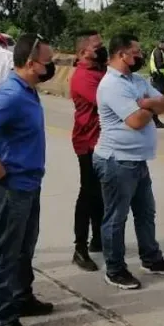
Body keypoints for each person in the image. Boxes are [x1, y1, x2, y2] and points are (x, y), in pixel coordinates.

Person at [93, 34, 164, 290]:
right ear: (122, 55)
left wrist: (145, 103)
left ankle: (151, 258)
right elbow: (135, 121)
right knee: (116, 218)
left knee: (145, 213)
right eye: (136, 52)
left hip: (137, 160)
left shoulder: (137, 80)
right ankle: (115, 268)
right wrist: (148, 107)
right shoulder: (112, 84)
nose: (140, 56)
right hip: (116, 161)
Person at [0, 33, 57, 326]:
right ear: (31, 64)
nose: (52, 66)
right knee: (5, 254)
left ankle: (21, 297)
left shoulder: (28, 91)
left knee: (23, 250)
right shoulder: (11, 94)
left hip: (30, 183)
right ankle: (1, 316)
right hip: (11, 187)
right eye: (48, 61)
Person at [69, 30, 107, 272]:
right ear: (84, 52)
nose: (101, 49)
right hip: (88, 142)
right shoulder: (83, 77)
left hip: (103, 142)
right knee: (89, 193)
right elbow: (107, 100)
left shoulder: (100, 71)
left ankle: (98, 239)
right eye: (97, 46)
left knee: (100, 194)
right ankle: (79, 247)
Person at [148, 36, 164, 129]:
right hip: (158, 79)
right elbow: (159, 65)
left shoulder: (159, 51)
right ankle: (155, 121)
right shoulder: (158, 52)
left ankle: (155, 120)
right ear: (163, 44)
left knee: (158, 100)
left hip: (160, 79)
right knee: (158, 101)